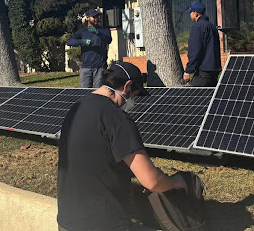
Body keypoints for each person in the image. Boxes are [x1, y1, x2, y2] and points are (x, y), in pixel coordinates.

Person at [57, 62, 187, 231]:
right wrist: (176, 182)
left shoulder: (76, 109)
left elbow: (92, 168)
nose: (132, 101)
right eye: (134, 95)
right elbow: (152, 181)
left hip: (67, 222)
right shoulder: (117, 120)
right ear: (127, 86)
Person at [67, 9, 112, 88]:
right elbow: (70, 41)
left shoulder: (104, 30)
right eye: (93, 17)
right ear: (88, 18)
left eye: (97, 17)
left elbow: (108, 40)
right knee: (85, 92)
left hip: (100, 67)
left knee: (99, 92)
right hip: (86, 67)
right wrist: (83, 42)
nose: (96, 19)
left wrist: (97, 32)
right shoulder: (82, 32)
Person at [183, 2, 222, 86]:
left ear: (196, 14)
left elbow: (195, 50)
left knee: (196, 97)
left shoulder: (197, 27)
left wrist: (188, 70)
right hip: (214, 70)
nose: (190, 15)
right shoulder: (212, 27)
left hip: (203, 72)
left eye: (191, 12)